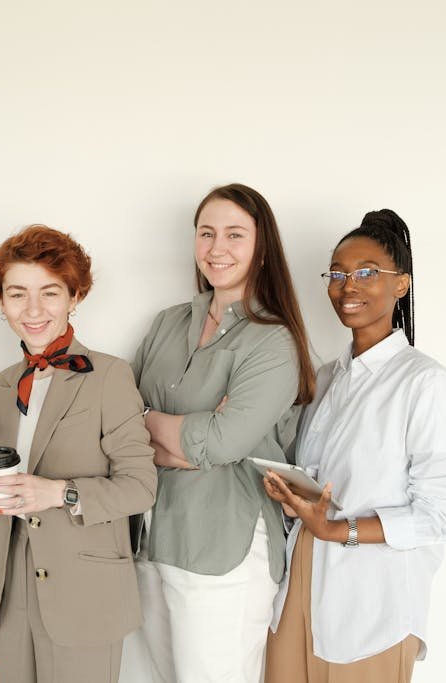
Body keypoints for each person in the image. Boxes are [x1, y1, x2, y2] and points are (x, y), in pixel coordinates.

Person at [263, 209, 446, 683]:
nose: (347, 285)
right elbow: (322, 483)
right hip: (302, 579)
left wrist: (339, 530)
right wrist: (294, 497)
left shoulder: (426, 384)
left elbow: (438, 514)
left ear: (401, 285)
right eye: (337, 273)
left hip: (374, 600)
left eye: (366, 273)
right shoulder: (329, 377)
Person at [132, 183, 316, 683]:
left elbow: (223, 444)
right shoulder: (168, 323)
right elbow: (121, 429)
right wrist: (194, 438)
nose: (217, 248)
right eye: (206, 233)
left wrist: (165, 429)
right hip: (153, 538)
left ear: (261, 249)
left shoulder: (274, 340)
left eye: (235, 235)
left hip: (225, 550)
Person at [0, 224, 157, 683]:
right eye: (17, 294)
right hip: (12, 595)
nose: (33, 310)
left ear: (75, 297)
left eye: (49, 293)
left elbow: (140, 488)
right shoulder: (1, 385)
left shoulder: (110, 376)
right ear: (1, 302)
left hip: (87, 594)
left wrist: (58, 493)